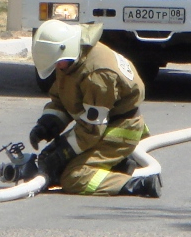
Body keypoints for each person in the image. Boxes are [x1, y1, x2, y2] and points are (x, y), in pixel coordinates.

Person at [28, 19, 161, 197]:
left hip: (118, 130)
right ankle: (118, 165)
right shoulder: (71, 59)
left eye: (57, 63)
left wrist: (63, 152)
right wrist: (47, 123)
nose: (56, 68)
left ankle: (139, 183)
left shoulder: (97, 75)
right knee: (52, 164)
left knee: (74, 177)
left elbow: (92, 129)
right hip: (99, 126)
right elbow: (62, 97)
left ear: (65, 49)